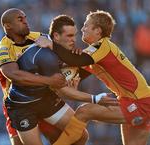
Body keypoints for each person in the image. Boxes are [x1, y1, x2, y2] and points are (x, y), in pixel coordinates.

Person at [36, 10, 150, 145]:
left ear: (97, 30)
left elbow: (76, 61)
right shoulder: (94, 53)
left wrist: (51, 45)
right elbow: (76, 70)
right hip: (133, 101)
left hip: (140, 102)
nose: (82, 28)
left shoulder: (103, 45)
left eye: (86, 25)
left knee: (84, 111)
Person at [0, 8, 67, 145]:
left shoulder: (38, 37)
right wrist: (49, 80)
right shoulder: (3, 50)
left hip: (43, 96)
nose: (26, 22)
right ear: (8, 26)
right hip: (19, 104)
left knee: (61, 136)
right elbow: (14, 75)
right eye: (20, 19)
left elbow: (62, 54)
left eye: (25, 18)